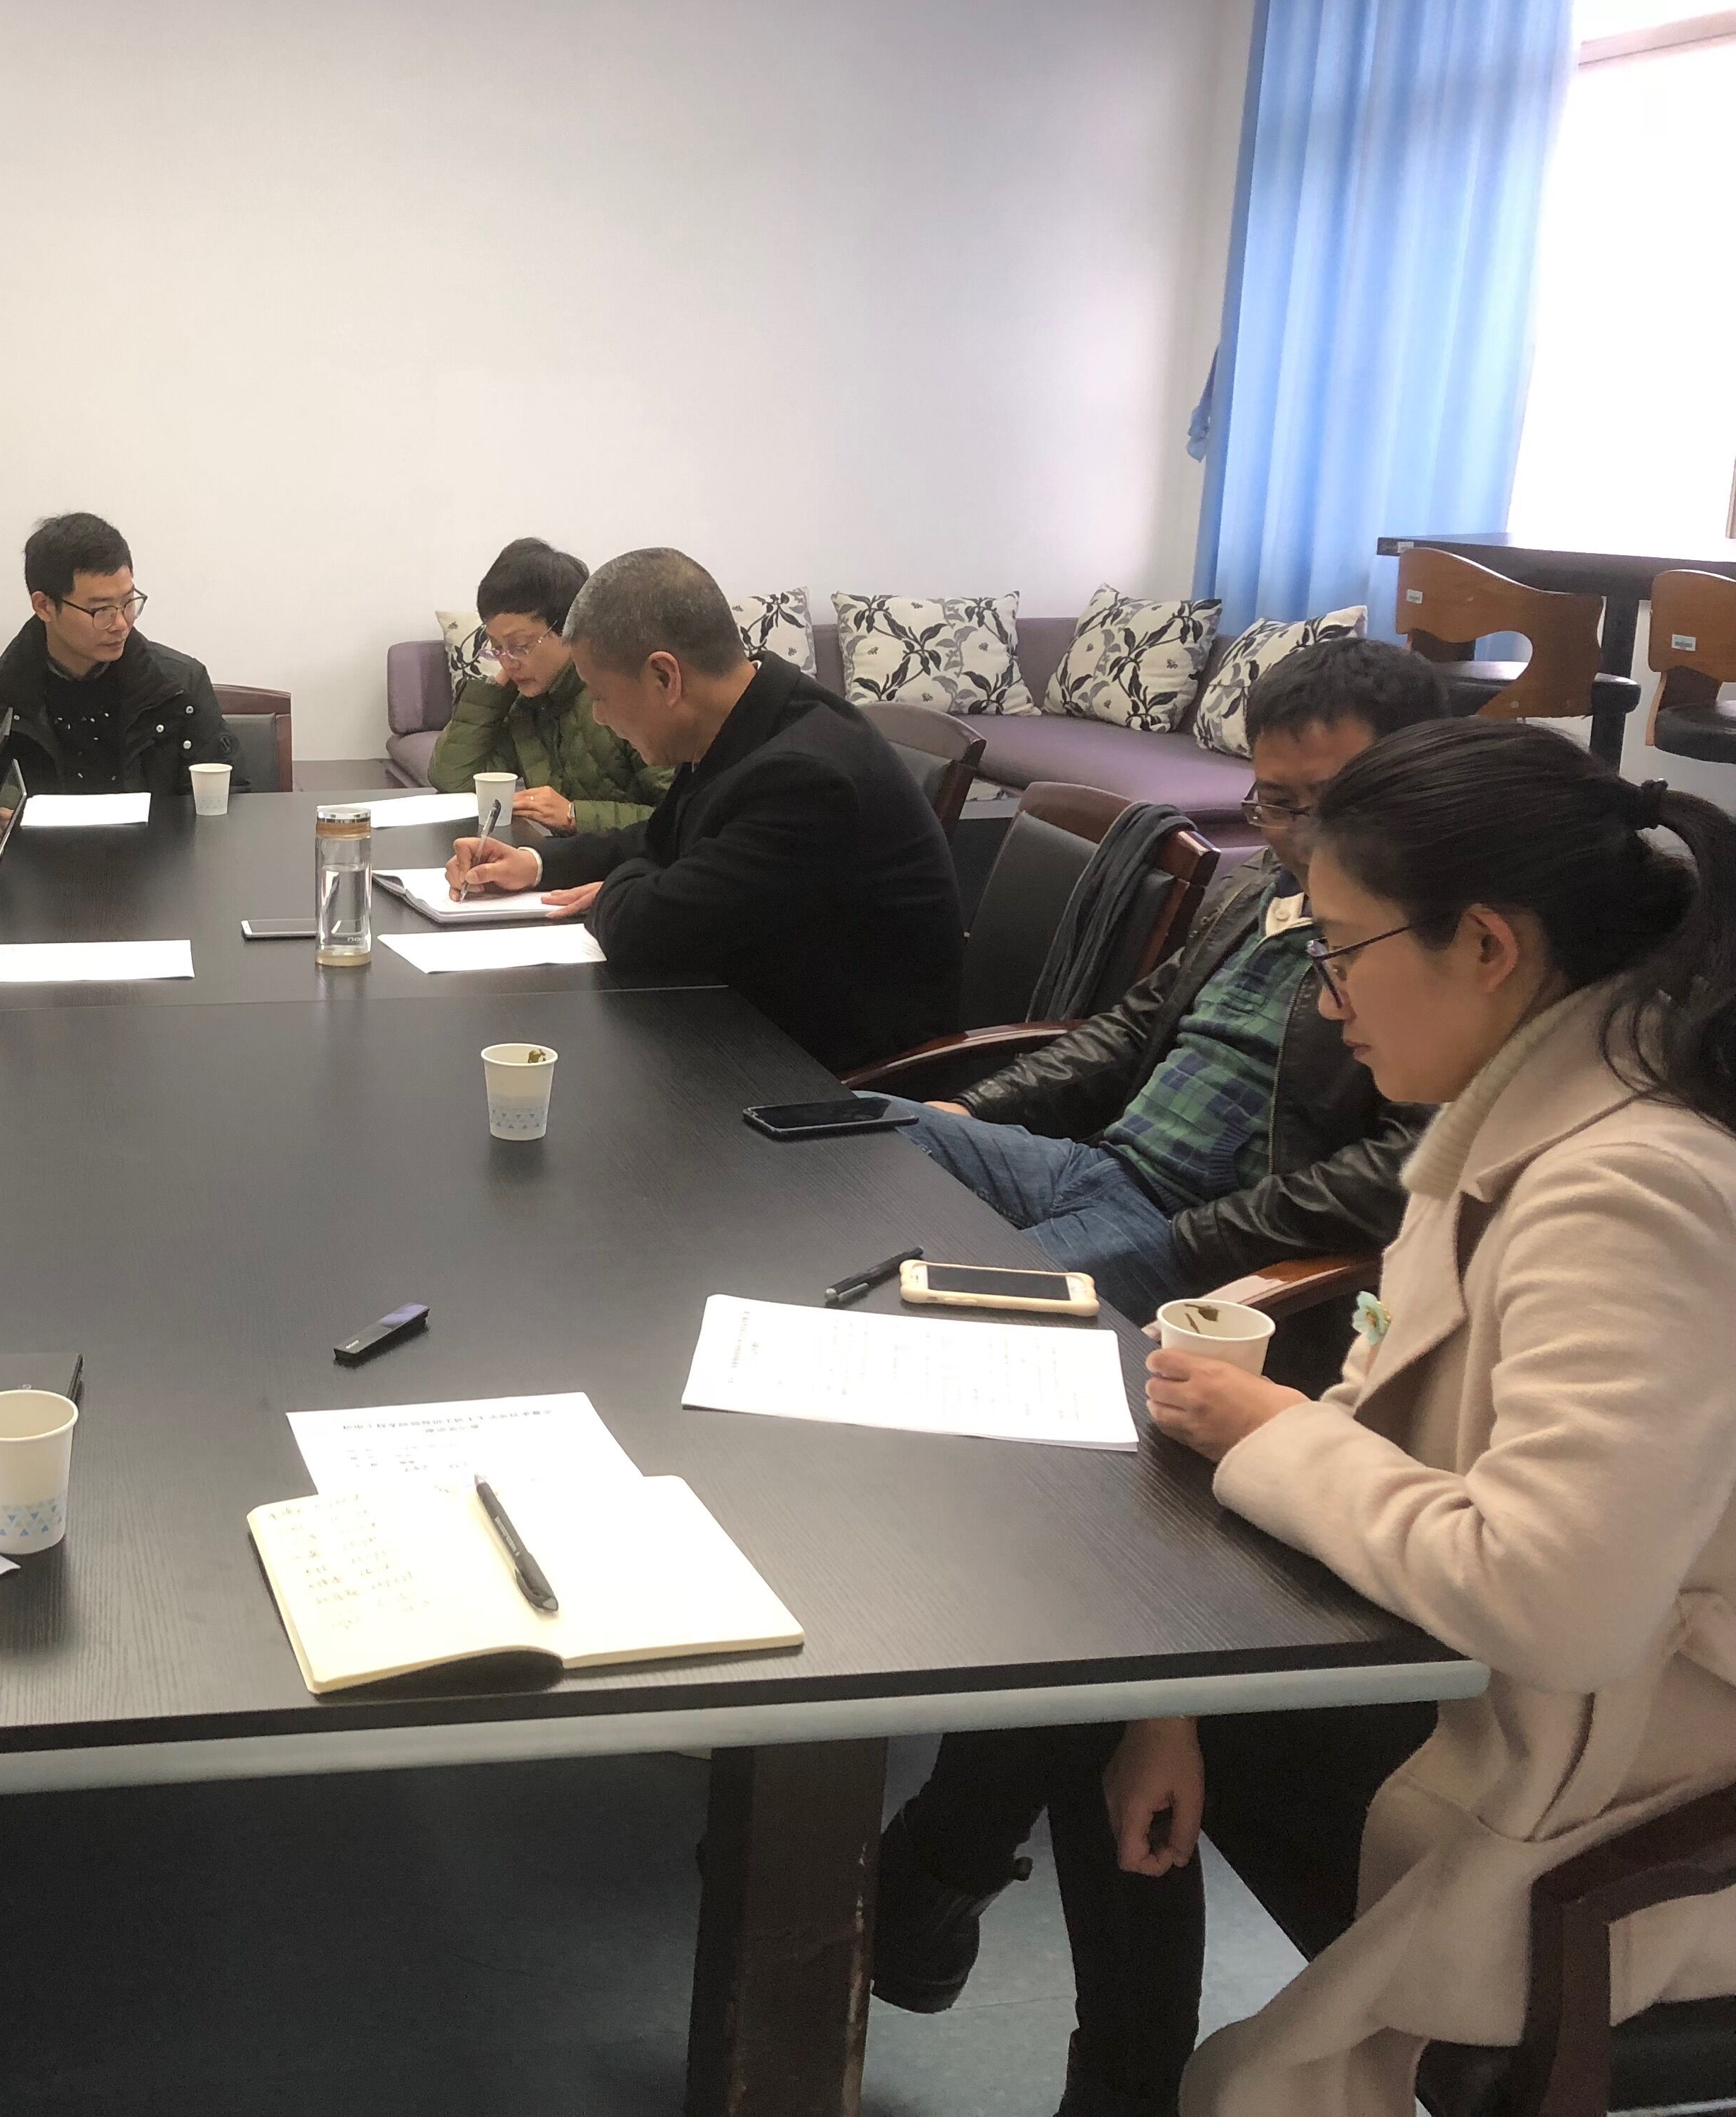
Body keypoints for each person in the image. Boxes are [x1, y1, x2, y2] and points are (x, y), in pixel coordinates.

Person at [877, 718, 1736, 2117]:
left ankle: (959, 1923)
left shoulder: (1627, 1187)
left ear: (1487, 946)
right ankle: (1037, 1998)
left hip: (1612, 1774)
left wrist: (1270, 1430)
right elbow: (1385, 1438)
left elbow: (1559, 1602)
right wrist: (1178, 1698)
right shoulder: (1506, 1124)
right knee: (1110, 1663)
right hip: (1499, 1681)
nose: (1325, 997)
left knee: (1087, 1645)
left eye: (1338, 948)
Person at [861, 639, 1449, 1319]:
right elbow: (1136, 1026)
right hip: (1097, 1166)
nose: (1301, 836)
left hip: (1193, 1232)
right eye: (1275, 801)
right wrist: (974, 1109)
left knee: (929, 1310)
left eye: (1331, 802)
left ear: (1411, 775)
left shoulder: (1436, 946)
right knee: (855, 1134)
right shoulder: (1261, 883)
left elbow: (1406, 1166)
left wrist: (1197, 1239)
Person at [443, 547, 962, 1071]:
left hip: (838, 1079)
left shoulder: (803, 778)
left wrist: (632, 886)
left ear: (665, 678)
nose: (598, 716)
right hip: (751, 1021)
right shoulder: (747, 721)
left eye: (600, 696)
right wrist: (537, 864)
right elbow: (658, 840)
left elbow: (643, 932)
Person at [0, 510, 238, 797]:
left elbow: (231, 798)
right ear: (44, 606)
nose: (121, 624)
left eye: (128, 602)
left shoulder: (180, 687)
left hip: (158, 833)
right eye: (101, 610)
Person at [426, 537, 671, 833]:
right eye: (496, 648)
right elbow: (454, 780)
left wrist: (574, 814)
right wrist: (494, 693)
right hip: (568, 855)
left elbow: (685, 820)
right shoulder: (526, 704)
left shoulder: (626, 695)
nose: (508, 662)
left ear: (570, 629)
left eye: (520, 645)